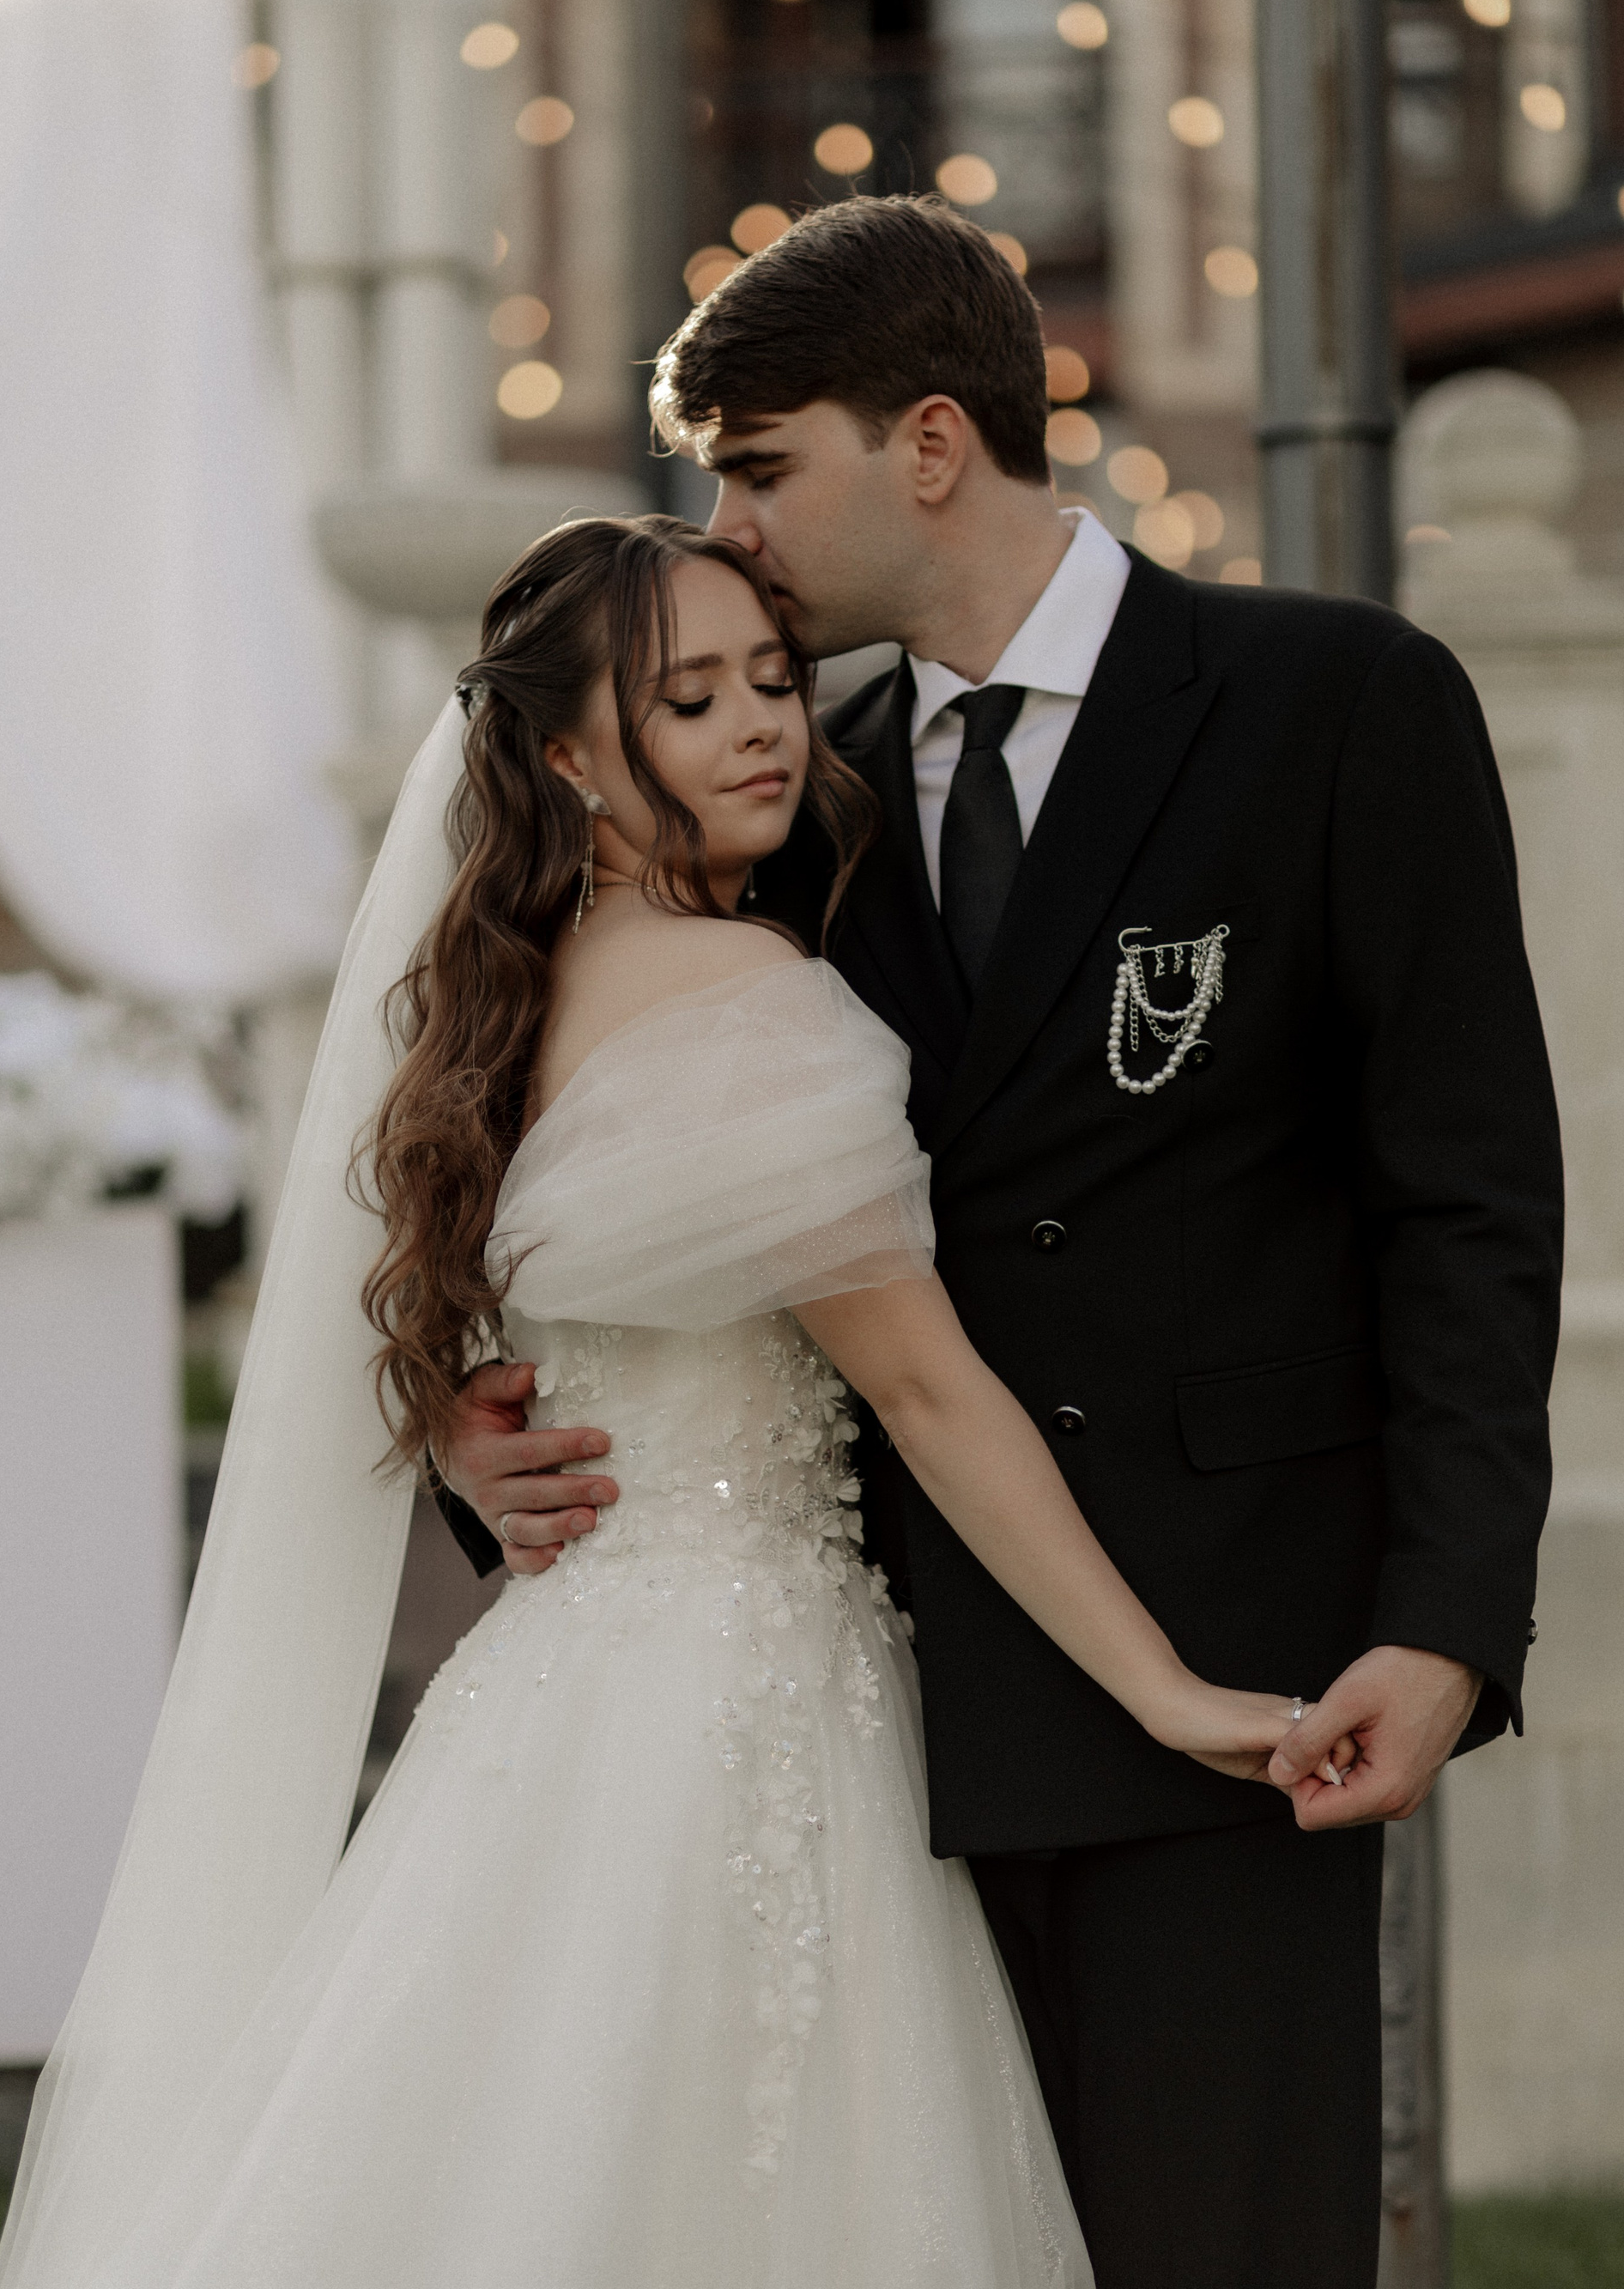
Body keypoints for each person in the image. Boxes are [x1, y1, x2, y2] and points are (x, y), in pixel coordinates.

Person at [0, 513, 1347, 2289]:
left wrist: (462, 1415)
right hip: (749, 1691)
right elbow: (927, 1389)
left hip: (554, 1686)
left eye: (774, 682)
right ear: (567, 759)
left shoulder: (505, 998)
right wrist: (1165, 1688)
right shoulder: (744, 996)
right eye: (690, 701)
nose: (762, 727)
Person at [435, 197, 1563, 2288]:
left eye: (762, 471)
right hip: (869, 1723)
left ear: (931, 444)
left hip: (1240, 1674)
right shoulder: (789, 802)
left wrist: (1450, 1617)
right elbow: (584, 1153)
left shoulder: (1334, 700)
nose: (731, 532)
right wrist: (481, 1439)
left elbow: (1471, 1202)